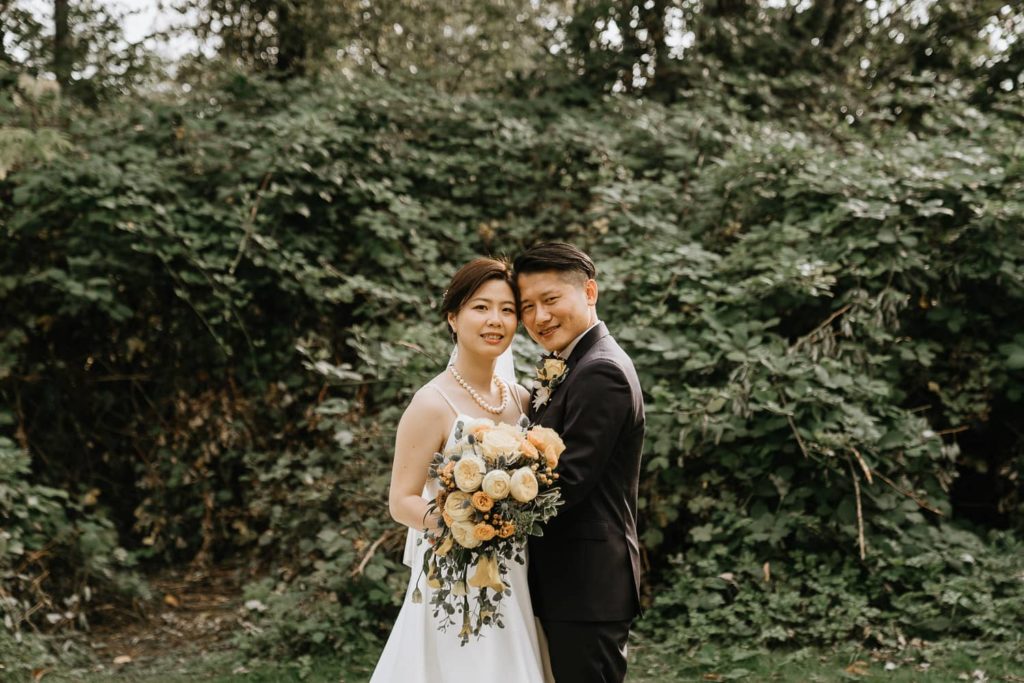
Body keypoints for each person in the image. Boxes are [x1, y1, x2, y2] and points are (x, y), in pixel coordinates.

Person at [370, 257, 549, 683]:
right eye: (481, 307)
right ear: (453, 317)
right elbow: (401, 500)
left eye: (507, 310)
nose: (496, 320)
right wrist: (461, 526)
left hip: (515, 570)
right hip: (453, 574)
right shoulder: (430, 403)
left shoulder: (522, 398)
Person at [515, 242, 645, 683]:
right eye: (527, 307)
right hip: (565, 585)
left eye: (550, 300)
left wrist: (484, 506)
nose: (539, 317)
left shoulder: (601, 370)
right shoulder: (571, 364)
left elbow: (568, 481)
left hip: (586, 588)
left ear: (589, 292)